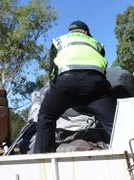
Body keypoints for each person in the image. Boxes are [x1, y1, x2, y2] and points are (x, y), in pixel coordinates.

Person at [34, 20, 116, 153]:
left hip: (65, 83)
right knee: (114, 122)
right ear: (86, 32)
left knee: (46, 116)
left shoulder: (59, 41)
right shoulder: (96, 43)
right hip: (94, 85)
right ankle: (128, 154)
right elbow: (103, 69)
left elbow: (52, 70)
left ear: (70, 31)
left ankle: (42, 156)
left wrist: (56, 89)